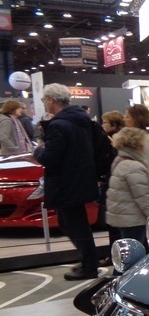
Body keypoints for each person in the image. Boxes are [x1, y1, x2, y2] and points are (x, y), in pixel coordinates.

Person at [33, 83, 100, 280]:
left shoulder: (59, 125)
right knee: (69, 223)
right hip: (79, 179)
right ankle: (88, 261)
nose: (44, 103)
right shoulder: (81, 120)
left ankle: (90, 266)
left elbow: (49, 158)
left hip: (67, 182)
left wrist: (38, 150)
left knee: (75, 225)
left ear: (52, 100)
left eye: (44, 99)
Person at [106, 127, 149, 250]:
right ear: (137, 145)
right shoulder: (134, 167)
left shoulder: (119, 161)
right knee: (135, 255)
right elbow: (143, 197)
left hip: (125, 216)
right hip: (134, 219)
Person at [97, 111, 125, 265]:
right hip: (110, 183)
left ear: (113, 125)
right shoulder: (111, 139)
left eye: (105, 122)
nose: (103, 125)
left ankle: (115, 256)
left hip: (113, 185)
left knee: (115, 225)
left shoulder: (115, 141)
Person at [123, 104, 149, 177]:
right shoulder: (143, 136)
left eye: (127, 117)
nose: (124, 119)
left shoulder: (140, 139)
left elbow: (148, 166)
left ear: (136, 119)